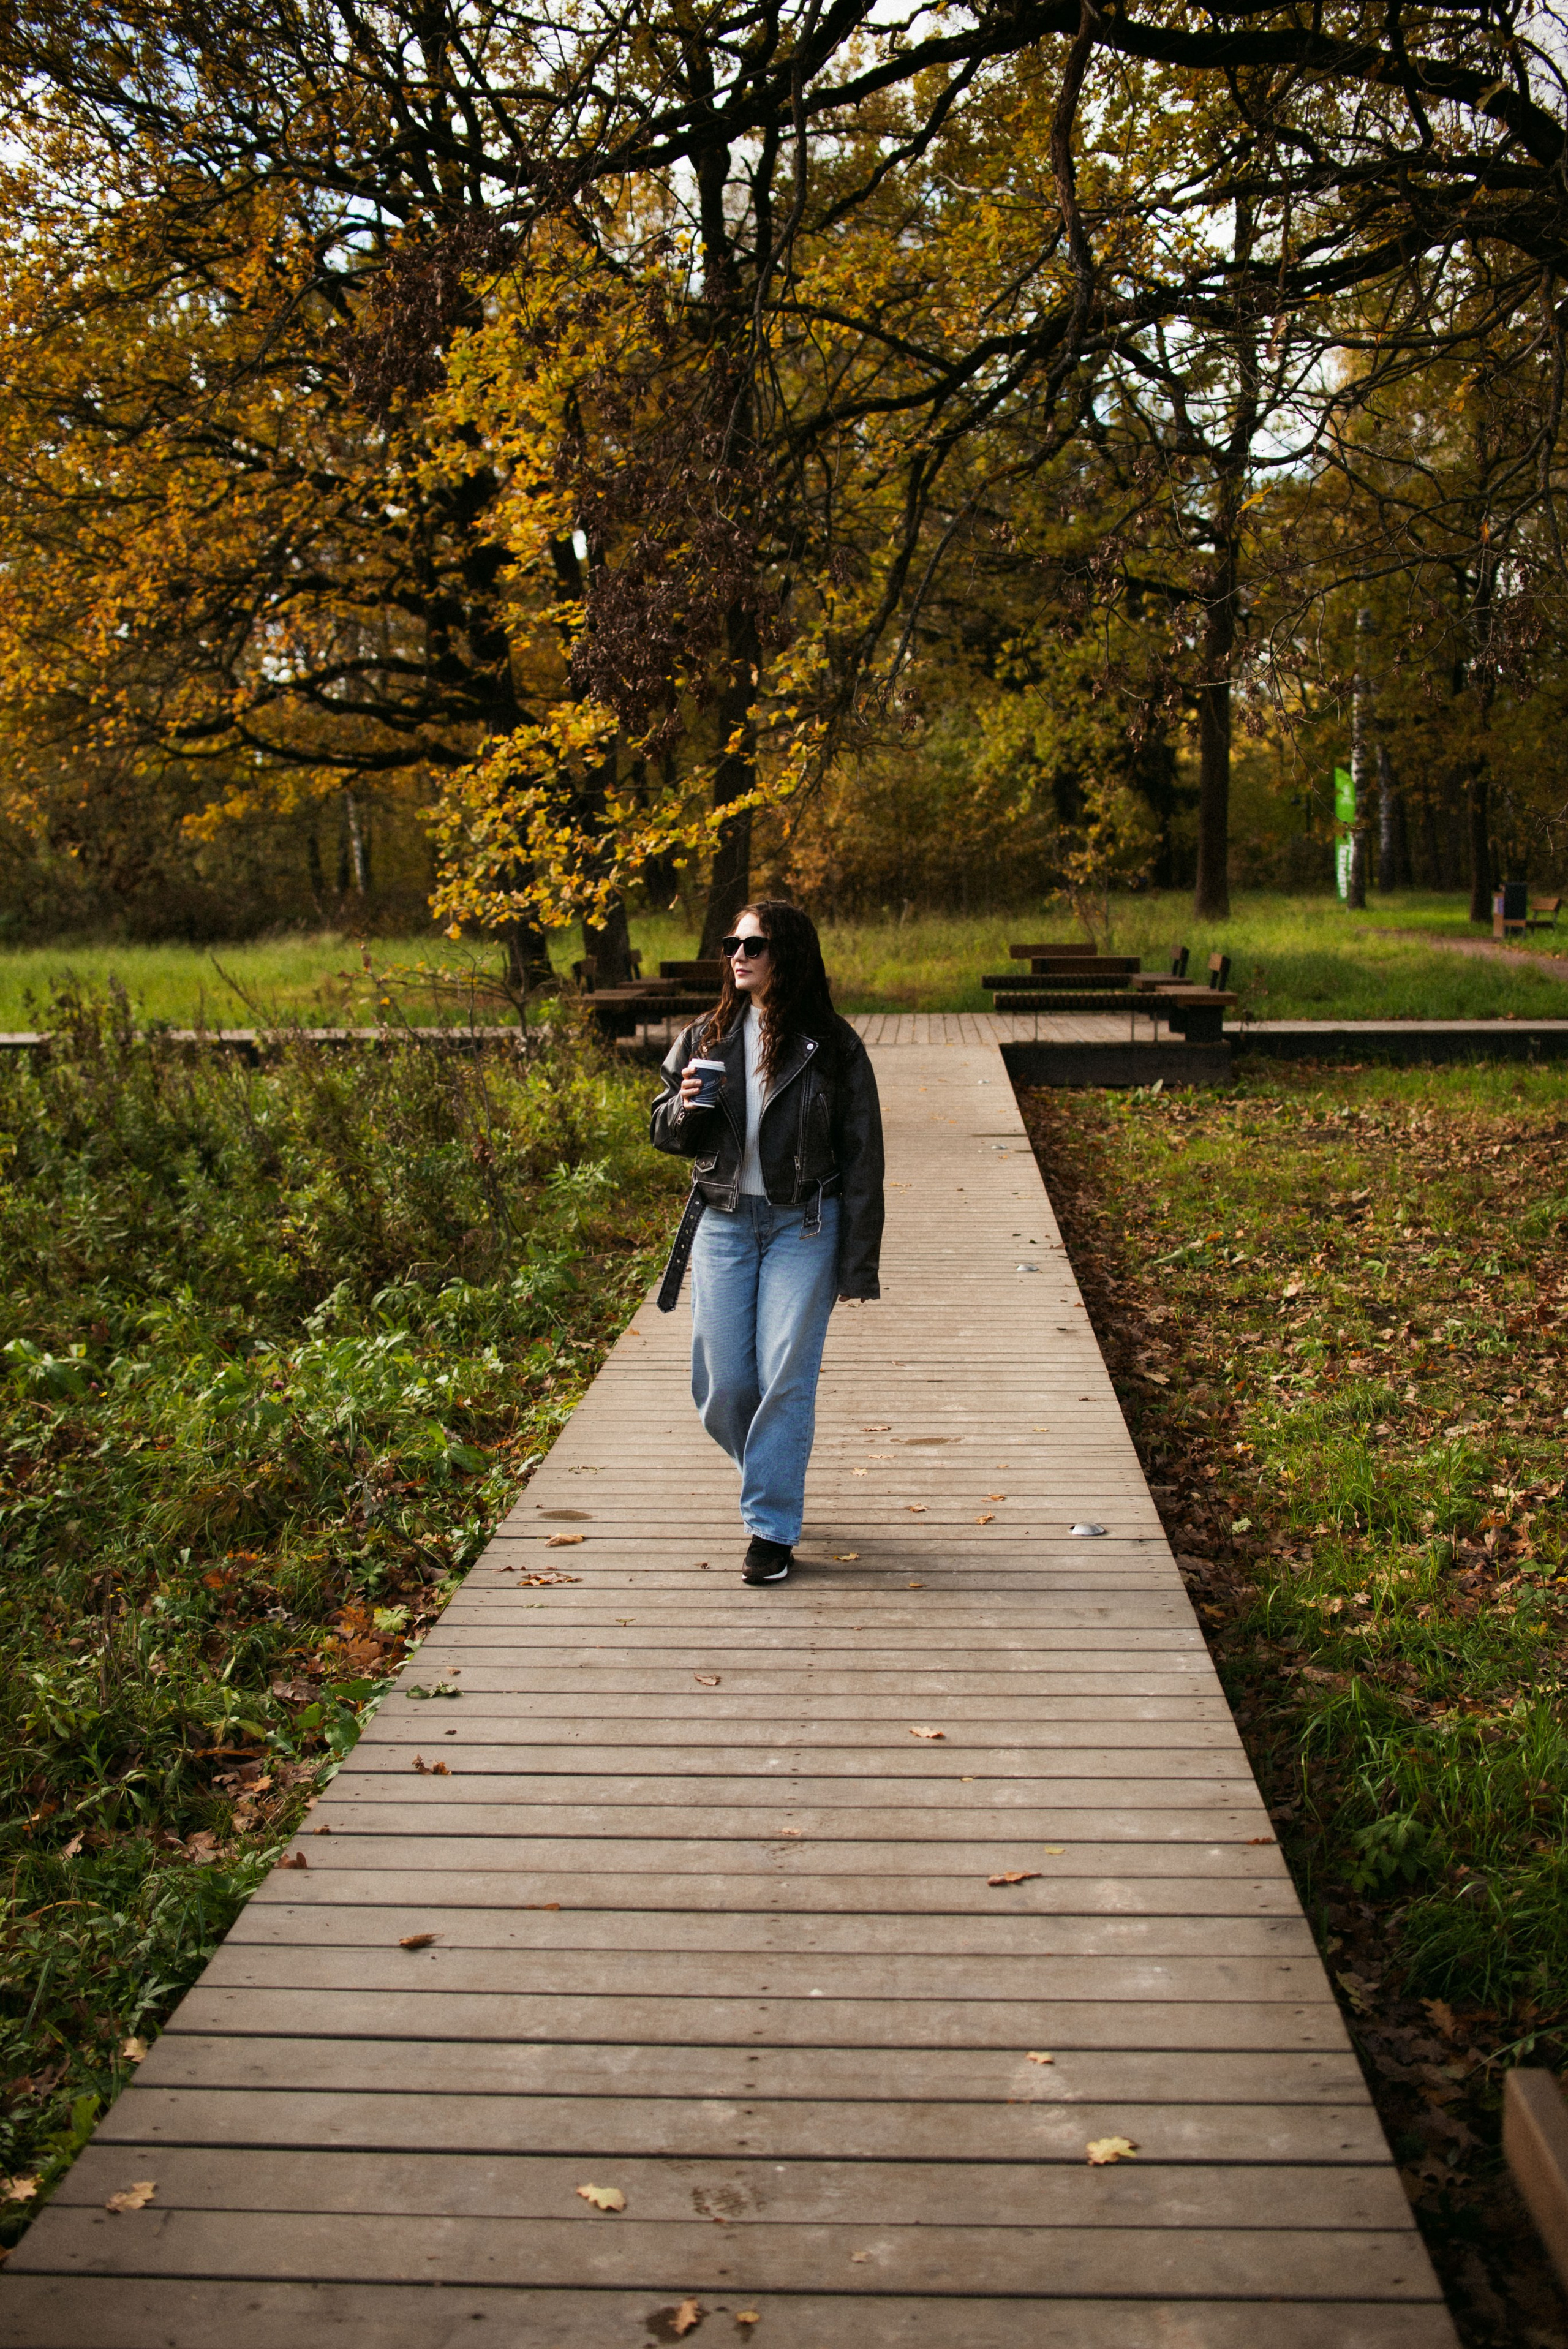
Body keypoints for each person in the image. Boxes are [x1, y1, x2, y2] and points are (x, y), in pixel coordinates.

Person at [649, 900, 884, 1585]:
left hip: (803, 1225)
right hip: (722, 1222)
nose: (738, 955)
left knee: (785, 1377)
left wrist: (858, 1263)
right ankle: (771, 1476)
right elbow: (662, 1129)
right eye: (732, 943)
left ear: (789, 954)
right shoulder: (705, 1035)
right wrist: (684, 1106)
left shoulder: (833, 1046)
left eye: (753, 944)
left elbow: (863, 1157)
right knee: (723, 1383)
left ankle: (770, 1528)